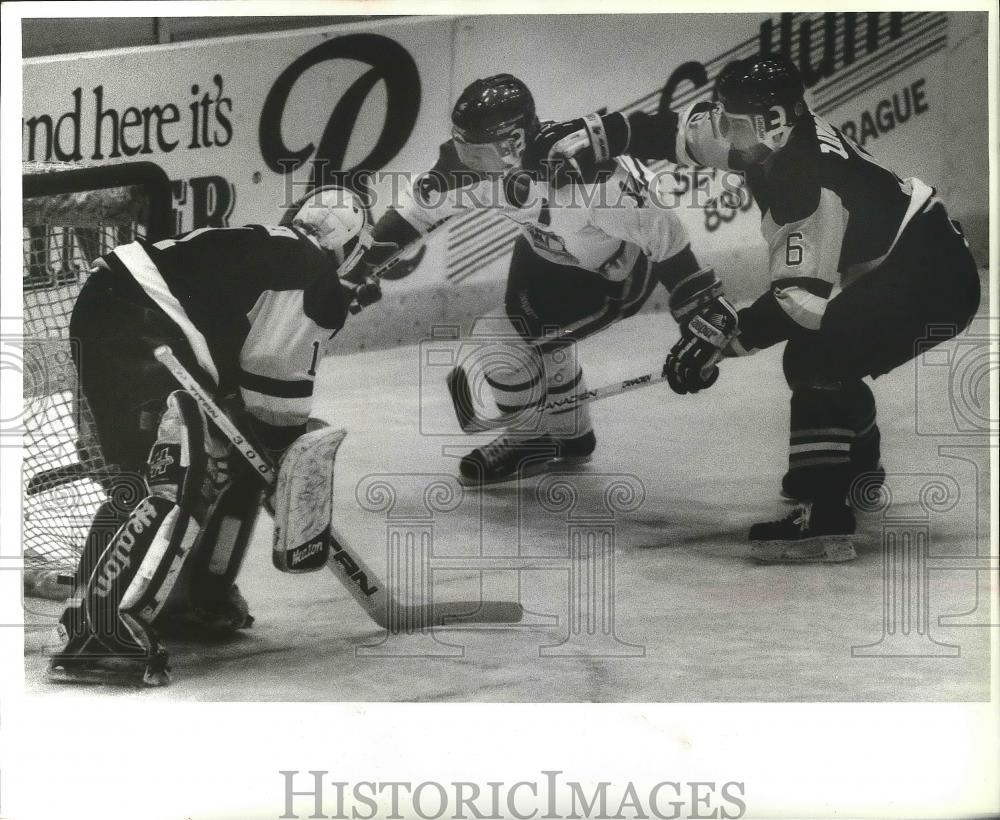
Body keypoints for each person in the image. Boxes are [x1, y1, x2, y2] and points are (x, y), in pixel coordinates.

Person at [532, 56, 981, 562]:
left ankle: (825, 517)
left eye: (734, 124)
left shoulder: (807, 182)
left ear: (776, 122)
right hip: (906, 260)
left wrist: (718, 341)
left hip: (934, 280)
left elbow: (797, 307)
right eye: (722, 118)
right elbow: (667, 131)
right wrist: (599, 134)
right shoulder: (762, 135)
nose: (723, 132)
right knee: (829, 353)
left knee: (817, 356)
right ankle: (855, 472)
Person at [49, 187, 373, 684]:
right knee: (180, 467)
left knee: (143, 474)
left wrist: (264, 440)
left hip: (112, 307)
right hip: (146, 326)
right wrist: (282, 445)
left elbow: (245, 356)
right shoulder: (311, 271)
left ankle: (188, 601)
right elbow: (273, 372)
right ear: (350, 250)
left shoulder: (267, 246)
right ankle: (96, 628)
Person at [352, 73, 722, 485]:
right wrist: (358, 269)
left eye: (476, 152)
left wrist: (701, 317)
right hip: (546, 249)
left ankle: (531, 439)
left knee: (498, 339)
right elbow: (416, 213)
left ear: (513, 144)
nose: (465, 162)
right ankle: (571, 436)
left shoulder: (587, 179)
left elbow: (665, 238)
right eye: (461, 146)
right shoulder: (474, 165)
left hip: (614, 271)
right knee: (536, 332)